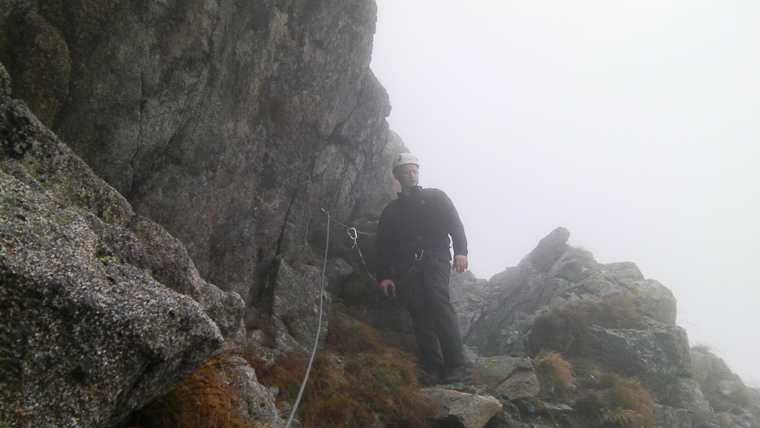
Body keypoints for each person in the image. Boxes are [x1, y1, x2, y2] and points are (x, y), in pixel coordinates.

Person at [376, 152, 470, 385]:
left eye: (414, 171)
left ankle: (457, 365)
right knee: (418, 310)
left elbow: (454, 223)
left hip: (435, 257)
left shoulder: (435, 197)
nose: (412, 175)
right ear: (397, 175)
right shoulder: (390, 212)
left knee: (438, 299)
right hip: (407, 267)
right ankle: (434, 367)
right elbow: (383, 247)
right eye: (407, 171)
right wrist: (385, 276)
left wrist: (461, 251)